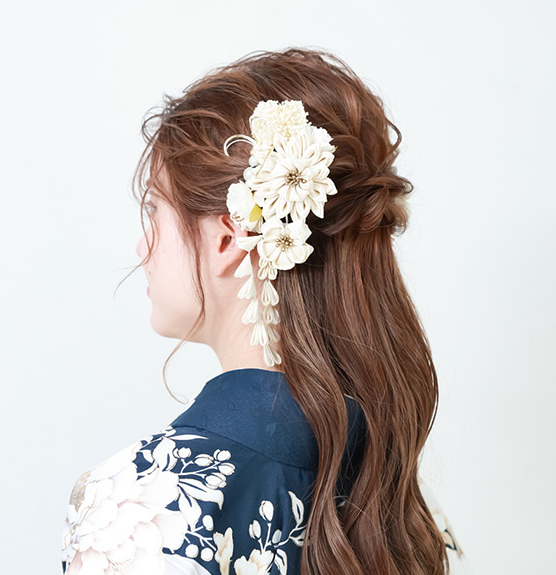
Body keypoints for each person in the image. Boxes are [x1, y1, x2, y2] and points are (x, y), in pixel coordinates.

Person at [60, 47, 473, 575]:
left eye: (155, 209)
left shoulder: (138, 508)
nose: (143, 247)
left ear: (229, 238)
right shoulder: (402, 507)